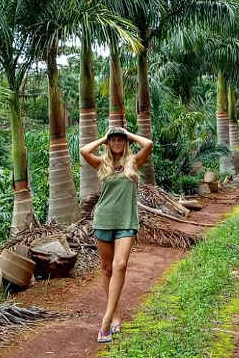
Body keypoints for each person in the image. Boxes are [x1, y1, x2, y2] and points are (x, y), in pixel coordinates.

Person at [80, 126, 153, 343]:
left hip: (126, 222)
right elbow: (84, 151)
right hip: (103, 220)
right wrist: (104, 138)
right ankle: (116, 315)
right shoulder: (103, 164)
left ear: (126, 141)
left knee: (119, 266)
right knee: (106, 269)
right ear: (109, 143)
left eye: (121, 139)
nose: (117, 142)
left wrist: (128, 134)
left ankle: (106, 320)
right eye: (114, 140)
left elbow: (148, 144)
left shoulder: (134, 163)